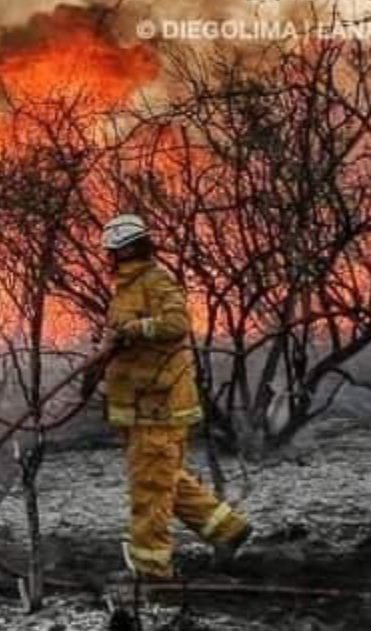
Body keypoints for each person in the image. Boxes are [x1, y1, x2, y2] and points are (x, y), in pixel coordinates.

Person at [98, 213, 253, 580]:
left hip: (158, 404)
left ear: (133, 247)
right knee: (162, 475)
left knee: (150, 487)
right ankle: (226, 529)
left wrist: (136, 328)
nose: (112, 257)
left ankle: (153, 571)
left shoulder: (156, 280)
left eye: (117, 250)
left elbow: (177, 323)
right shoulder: (126, 287)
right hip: (136, 402)